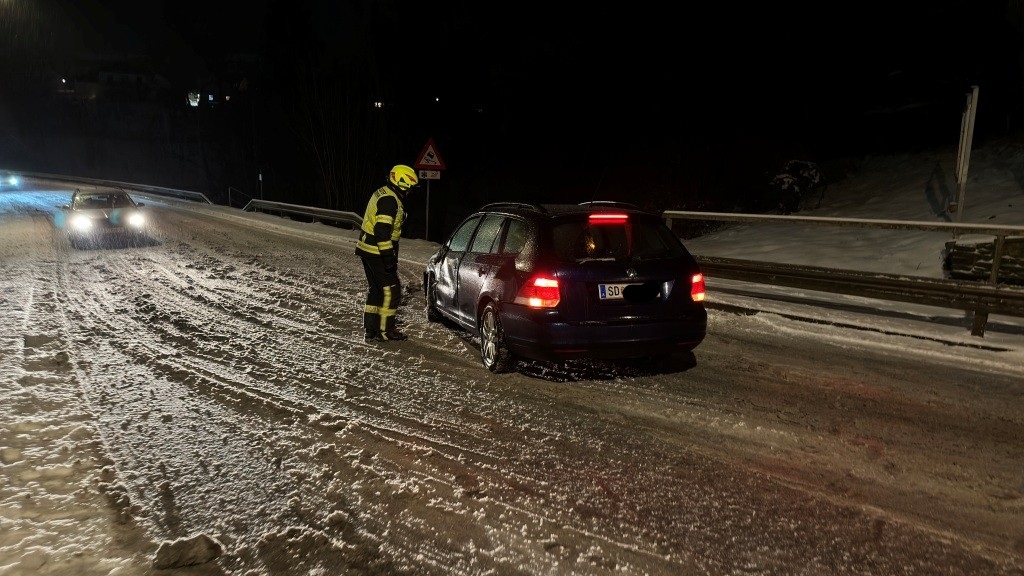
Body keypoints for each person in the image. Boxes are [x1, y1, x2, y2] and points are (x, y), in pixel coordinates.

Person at [354, 164, 419, 342]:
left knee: (376, 290)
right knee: (392, 291)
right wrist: (389, 258)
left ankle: (371, 329)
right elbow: (382, 231)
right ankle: (385, 330)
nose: (411, 191)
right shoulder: (390, 201)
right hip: (377, 251)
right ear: (403, 183)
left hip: (367, 249)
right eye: (410, 187)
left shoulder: (383, 192)